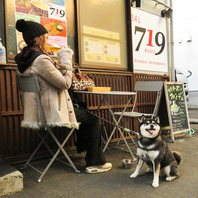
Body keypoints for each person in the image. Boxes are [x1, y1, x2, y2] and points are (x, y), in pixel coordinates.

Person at [14, 19, 112, 173]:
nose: (48, 41)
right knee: (92, 118)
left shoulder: (25, 60)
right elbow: (66, 83)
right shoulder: (40, 61)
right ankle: (95, 162)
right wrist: (66, 57)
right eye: (46, 37)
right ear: (39, 39)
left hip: (36, 112)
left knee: (82, 111)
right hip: (51, 112)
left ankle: (83, 149)